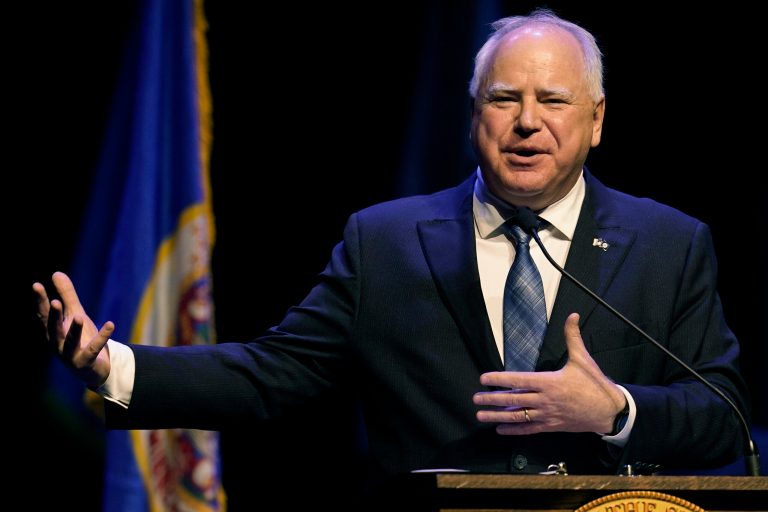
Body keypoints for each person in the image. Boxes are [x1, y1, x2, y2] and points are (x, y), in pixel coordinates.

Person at [34, 8, 748, 497]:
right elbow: (268, 375)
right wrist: (112, 367)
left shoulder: (668, 243)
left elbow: (721, 416)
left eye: (553, 101)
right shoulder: (385, 242)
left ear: (595, 122)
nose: (527, 121)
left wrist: (614, 411)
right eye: (504, 98)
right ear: (475, 116)